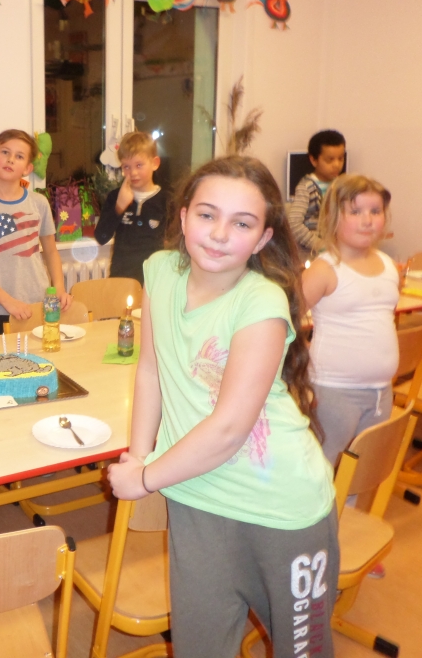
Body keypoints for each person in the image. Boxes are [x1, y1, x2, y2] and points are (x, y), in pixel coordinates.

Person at [107, 155, 338, 658]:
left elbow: (230, 428)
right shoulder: (159, 271)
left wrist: (145, 478)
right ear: (183, 215)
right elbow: (150, 369)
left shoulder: (261, 302)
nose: (218, 234)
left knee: (304, 652)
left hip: (280, 509)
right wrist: (139, 455)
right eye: (207, 214)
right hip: (195, 495)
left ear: (262, 238)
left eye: (242, 223)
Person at [303, 174, 398, 467]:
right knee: (322, 466)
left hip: (381, 391)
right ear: (332, 217)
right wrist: (303, 356)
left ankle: (354, 502)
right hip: (334, 391)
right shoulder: (325, 269)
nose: (367, 220)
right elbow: (283, 320)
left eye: (375, 211)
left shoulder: (388, 265)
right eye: (355, 212)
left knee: (364, 468)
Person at [0, 129, 71, 337]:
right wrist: (8, 302)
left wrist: (59, 288)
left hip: (36, 303)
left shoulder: (39, 203)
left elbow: (51, 252)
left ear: (27, 168)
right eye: (5, 152)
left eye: (19, 156)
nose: (10, 159)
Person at [94, 131, 167, 285]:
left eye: (139, 165)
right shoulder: (115, 197)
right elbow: (101, 237)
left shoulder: (167, 201)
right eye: (126, 166)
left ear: (155, 163)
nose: (133, 172)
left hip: (155, 281)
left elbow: (173, 244)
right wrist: (119, 207)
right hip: (121, 279)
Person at [288, 129, 346, 261]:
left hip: (337, 249)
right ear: (313, 160)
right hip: (311, 253)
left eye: (341, 159)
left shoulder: (342, 185)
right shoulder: (306, 187)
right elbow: (293, 223)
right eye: (330, 160)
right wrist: (319, 245)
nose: (336, 165)